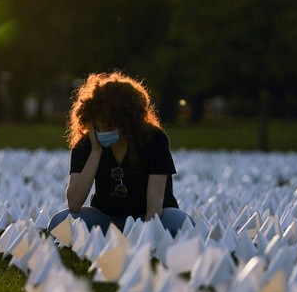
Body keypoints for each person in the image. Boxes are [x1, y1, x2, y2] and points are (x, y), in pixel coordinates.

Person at [48, 72, 193, 236]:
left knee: (180, 222)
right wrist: (96, 151)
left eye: (109, 127)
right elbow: (74, 203)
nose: (102, 131)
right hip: (107, 217)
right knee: (59, 222)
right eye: (98, 126)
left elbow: (155, 203)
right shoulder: (87, 143)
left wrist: (142, 237)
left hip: (151, 217)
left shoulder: (154, 139)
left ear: (128, 122)